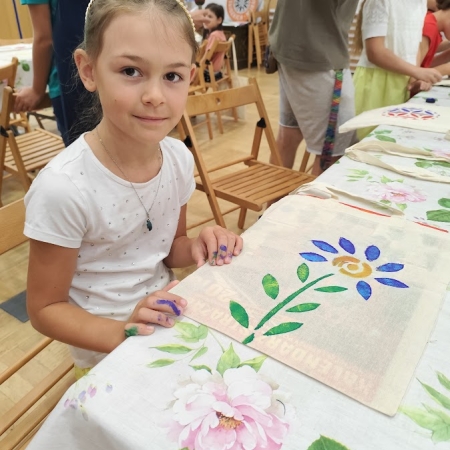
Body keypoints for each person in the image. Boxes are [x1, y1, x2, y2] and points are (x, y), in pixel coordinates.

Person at [24, 0, 243, 379]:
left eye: (172, 76)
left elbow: (168, 250)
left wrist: (196, 246)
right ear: (89, 71)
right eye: (131, 71)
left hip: (167, 322)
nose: (155, 95)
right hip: (106, 355)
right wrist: (122, 331)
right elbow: (45, 309)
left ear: (190, 77)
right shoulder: (64, 188)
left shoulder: (176, 159)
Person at [268, 0, 359, 176]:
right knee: (334, 150)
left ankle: (272, 204)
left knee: (289, 136)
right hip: (317, 52)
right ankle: (307, 204)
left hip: (293, 47)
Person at [353, 0, 442, 139]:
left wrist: (415, 78)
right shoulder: (381, 1)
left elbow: (414, 47)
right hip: (376, 84)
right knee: (367, 143)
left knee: (392, 141)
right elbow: (375, 52)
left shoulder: (419, 4)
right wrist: (416, 71)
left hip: (401, 84)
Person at [13, 0, 67, 139]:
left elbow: (44, 39)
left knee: (83, 151)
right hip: (109, 69)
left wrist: (37, 90)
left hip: (67, 79)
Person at [419, 0, 450, 74]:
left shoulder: (434, 29)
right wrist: (446, 69)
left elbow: (424, 65)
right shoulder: (429, 27)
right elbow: (413, 75)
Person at [202, 3, 226, 81]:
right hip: (217, 72)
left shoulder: (214, 36)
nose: (205, 19)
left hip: (209, 74)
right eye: (204, 16)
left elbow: (206, 58)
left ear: (219, 20)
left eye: (210, 17)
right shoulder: (221, 34)